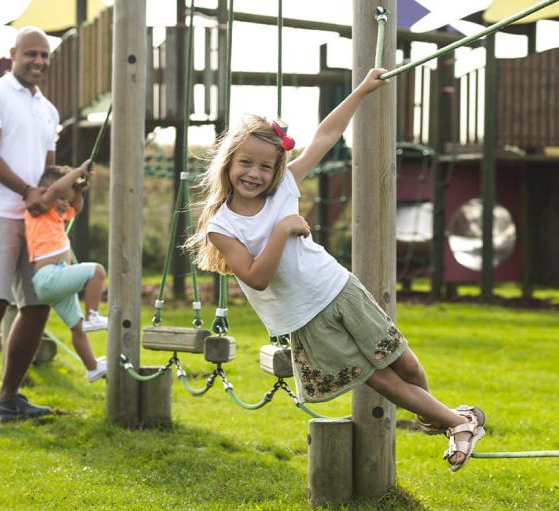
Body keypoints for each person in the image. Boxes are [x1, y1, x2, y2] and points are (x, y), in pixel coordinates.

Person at [186, 68, 487, 472]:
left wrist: (362, 91)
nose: (254, 174)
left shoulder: (286, 187)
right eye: (246, 163)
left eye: (264, 167)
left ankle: (441, 419)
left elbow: (326, 136)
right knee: (379, 380)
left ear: (277, 169)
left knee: (407, 365)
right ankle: (460, 424)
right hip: (304, 318)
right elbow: (255, 276)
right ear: (229, 162)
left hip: (339, 288)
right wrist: (282, 230)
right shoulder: (222, 225)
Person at [0, 26, 60, 423]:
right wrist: (26, 191)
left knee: (36, 306)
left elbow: (48, 170)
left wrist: (67, 187)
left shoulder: (49, 109)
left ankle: (9, 398)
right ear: (13, 53)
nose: (38, 61)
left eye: (44, 56)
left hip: (36, 221)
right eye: (31, 54)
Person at [25, 164, 108, 382]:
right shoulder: (38, 209)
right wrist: (78, 172)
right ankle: (93, 316)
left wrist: (78, 192)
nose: (64, 203)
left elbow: (76, 207)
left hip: (55, 279)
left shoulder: (57, 215)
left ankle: (92, 368)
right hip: (49, 276)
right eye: (61, 198)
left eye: (65, 199)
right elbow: (54, 191)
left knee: (76, 327)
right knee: (97, 272)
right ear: (45, 192)